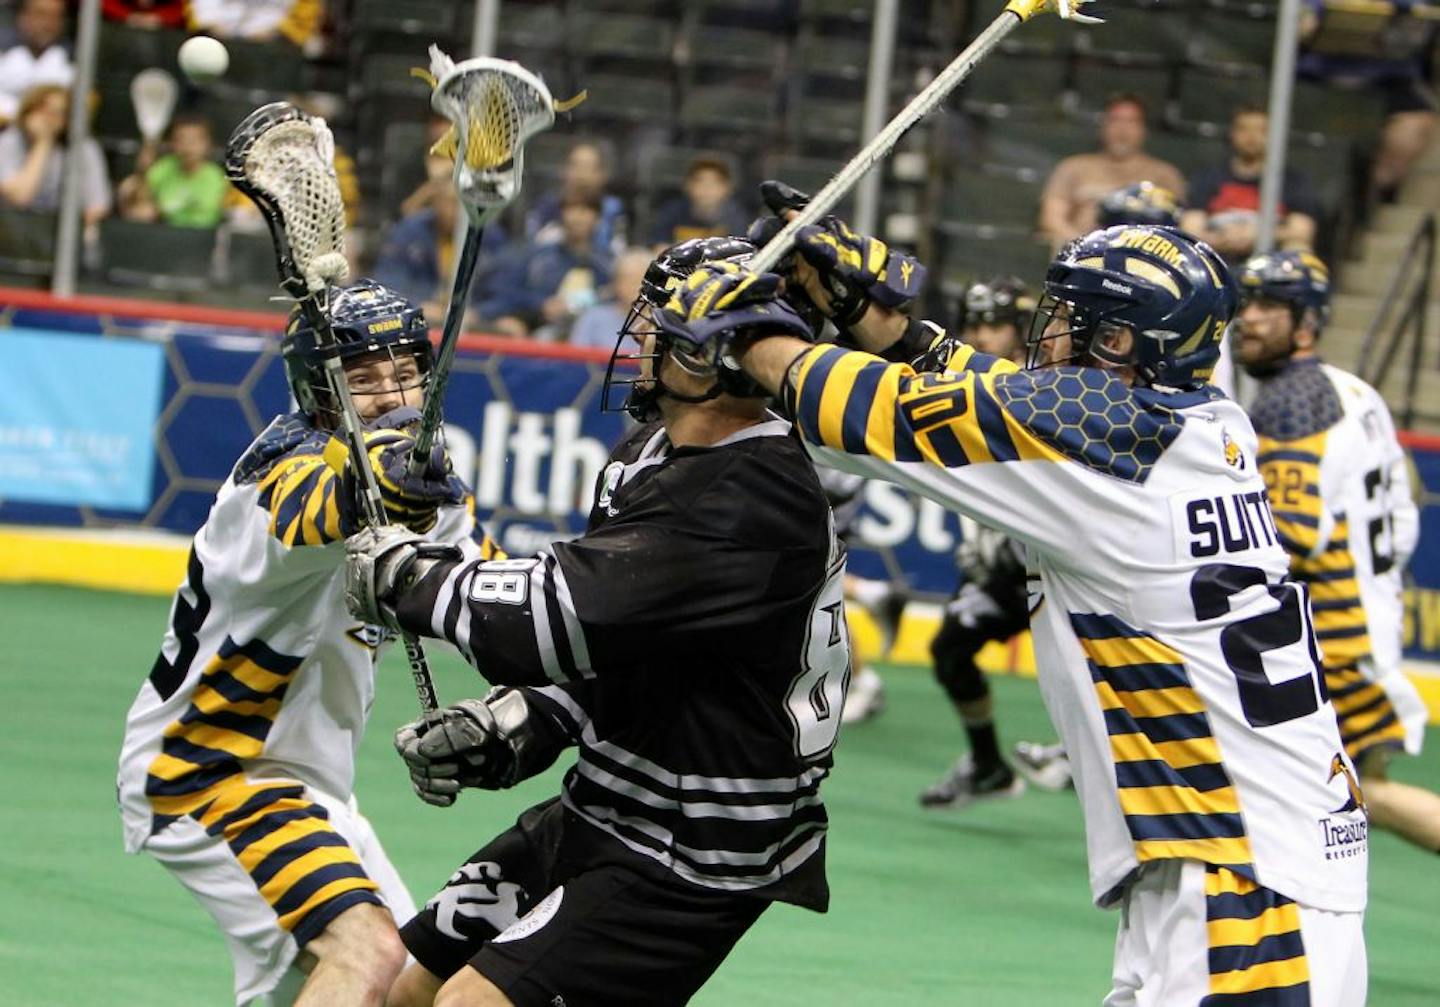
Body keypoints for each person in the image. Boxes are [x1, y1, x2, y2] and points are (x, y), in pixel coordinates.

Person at [682, 214, 1368, 1004]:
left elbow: (872, 414)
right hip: (1243, 860)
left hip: (1244, 887)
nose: (1050, 336)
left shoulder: (1105, 445)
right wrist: (894, 328)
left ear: (1126, 345)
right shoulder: (1203, 425)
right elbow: (1012, 402)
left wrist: (744, 327)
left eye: (1077, 323)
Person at [342, 237, 848, 1007]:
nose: (638, 333)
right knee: (405, 987)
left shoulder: (749, 491)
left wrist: (414, 580)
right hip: (609, 800)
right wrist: (527, 723)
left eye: (660, 323)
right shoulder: (655, 452)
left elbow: (554, 615)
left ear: (712, 358)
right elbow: (622, 644)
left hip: (694, 848)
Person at [116, 281, 500, 1006]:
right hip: (212, 770)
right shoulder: (277, 473)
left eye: (405, 371)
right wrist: (377, 481)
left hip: (309, 785)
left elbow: (497, 601)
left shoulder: (426, 486)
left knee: (416, 982)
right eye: (362, 380)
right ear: (318, 392)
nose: (392, 396)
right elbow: (311, 507)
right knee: (369, 952)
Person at [1237, 249, 1440, 855]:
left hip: (1330, 642)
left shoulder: (1290, 403)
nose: (1249, 317)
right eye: (1246, 302)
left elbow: (1284, 539)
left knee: (1351, 792)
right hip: (1363, 625)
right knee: (1338, 797)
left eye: (1270, 305)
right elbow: (1405, 519)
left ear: (1307, 323)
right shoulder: (1355, 392)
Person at [919, 277, 1038, 809]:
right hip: (1010, 563)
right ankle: (988, 764)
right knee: (950, 651)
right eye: (975, 324)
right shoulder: (962, 386)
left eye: (996, 324)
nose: (983, 335)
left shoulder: (1044, 387)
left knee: (1092, 667)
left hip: (1059, 563)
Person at [1039, 94, 1185, 250]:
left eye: (1131, 121)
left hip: (1145, 259)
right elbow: (1051, 220)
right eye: (1115, 120)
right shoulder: (1072, 167)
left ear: (1144, 129)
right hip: (1082, 256)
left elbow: (1180, 228)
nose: (1122, 129)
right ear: (1103, 126)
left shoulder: (1165, 174)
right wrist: (1087, 247)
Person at [1180, 104, 1322, 261]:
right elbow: (1190, 228)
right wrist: (1223, 238)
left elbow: (1302, 231)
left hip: (1271, 261)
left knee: (1299, 248)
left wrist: (1259, 235)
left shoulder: (1293, 181)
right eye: (1243, 129)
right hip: (1216, 257)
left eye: (1262, 130)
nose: (1251, 137)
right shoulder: (1208, 176)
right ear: (1232, 133)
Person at [474, 191, 612, 339]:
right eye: (570, 209)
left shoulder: (606, 266)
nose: (577, 217)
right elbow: (507, 292)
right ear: (561, 215)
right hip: (538, 331)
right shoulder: (538, 257)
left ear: (597, 218)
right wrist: (541, 305)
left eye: (585, 210)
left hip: (588, 336)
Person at [372, 177, 508, 325]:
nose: (456, 210)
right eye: (448, 201)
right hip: (419, 317)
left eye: (464, 203)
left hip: (473, 322)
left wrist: (481, 312)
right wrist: (417, 303)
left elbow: (505, 289)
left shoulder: (490, 238)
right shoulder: (409, 231)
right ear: (435, 202)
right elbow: (389, 279)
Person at [0, 83, 110, 225]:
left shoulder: (83, 148)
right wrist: (43, 143)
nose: (47, 119)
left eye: (56, 113)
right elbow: (19, 197)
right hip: (12, 232)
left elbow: (97, 206)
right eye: (41, 110)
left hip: (62, 233)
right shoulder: (9, 141)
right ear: (27, 112)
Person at [117, 114, 228, 228]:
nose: (188, 147)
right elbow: (140, 202)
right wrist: (142, 171)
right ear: (172, 143)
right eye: (182, 140)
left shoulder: (217, 177)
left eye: (194, 140)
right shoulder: (161, 169)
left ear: (208, 144)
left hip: (204, 238)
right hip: (164, 234)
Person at [523, 138, 626, 257]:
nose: (582, 175)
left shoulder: (613, 209)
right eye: (576, 166)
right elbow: (531, 246)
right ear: (564, 170)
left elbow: (620, 252)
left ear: (602, 175)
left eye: (589, 167)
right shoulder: (546, 207)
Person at [648, 154, 752, 246]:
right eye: (699, 181)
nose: (706, 188)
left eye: (714, 182)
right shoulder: (673, 211)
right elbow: (658, 244)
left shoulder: (736, 217)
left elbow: (740, 250)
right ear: (688, 185)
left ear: (727, 188)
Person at [566, 245, 651, 348]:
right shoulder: (593, 319)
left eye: (640, 280)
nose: (634, 286)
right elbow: (575, 360)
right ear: (616, 284)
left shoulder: (663, 325)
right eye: (627, 279)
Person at [0, 0, 69, 126]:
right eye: (41, 14)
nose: (48, 24)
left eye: (55, 17)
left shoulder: (73, 64)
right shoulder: (5, 55)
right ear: (22, 17)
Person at [187, 0, 322, 47]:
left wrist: (276, 32)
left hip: (271, 60)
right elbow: (198, 17)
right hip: (211, 46)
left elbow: (298, 27)